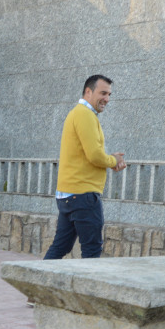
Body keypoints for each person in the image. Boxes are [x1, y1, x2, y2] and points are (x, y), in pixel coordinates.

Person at [43, 74, 126, 259]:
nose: (107, 99)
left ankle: (33, 285)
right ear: (88, 91)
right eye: (103, 93)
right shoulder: (84, 114)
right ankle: (88, 289)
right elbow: (95, 155)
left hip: (68, 195)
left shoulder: (77, 113)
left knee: (60, 247)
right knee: (92, 250)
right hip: (83, 196)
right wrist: (114, 161)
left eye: (109, 94)